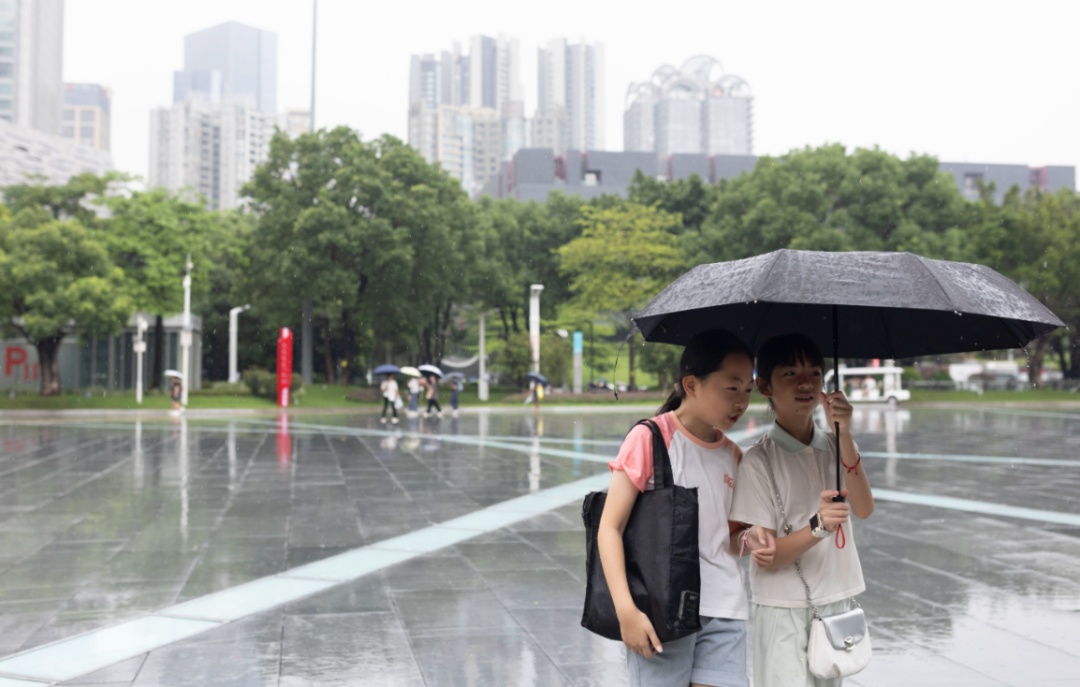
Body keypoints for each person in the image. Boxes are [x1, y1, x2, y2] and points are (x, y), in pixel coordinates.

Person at [597, 330, 775, 687]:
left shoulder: (732, 456)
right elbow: (609, 529)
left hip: (724, 611)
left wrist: (751, 536)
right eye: (731, 388)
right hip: (663, 610)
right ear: (691, 385)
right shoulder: (650, 439)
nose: (741, 402)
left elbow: (727, 536)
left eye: (747, 392)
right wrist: (626, 610)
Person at [730, 333, 875, 687]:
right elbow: (770, 556)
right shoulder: (758, 461)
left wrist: (845, 436)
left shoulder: (835, 444)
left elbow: (864, 507)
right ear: (764, 386)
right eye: (790, 374)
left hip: (836, 602)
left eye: (813, 373)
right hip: (783, 607)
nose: (805, 383)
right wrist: (819, 525)